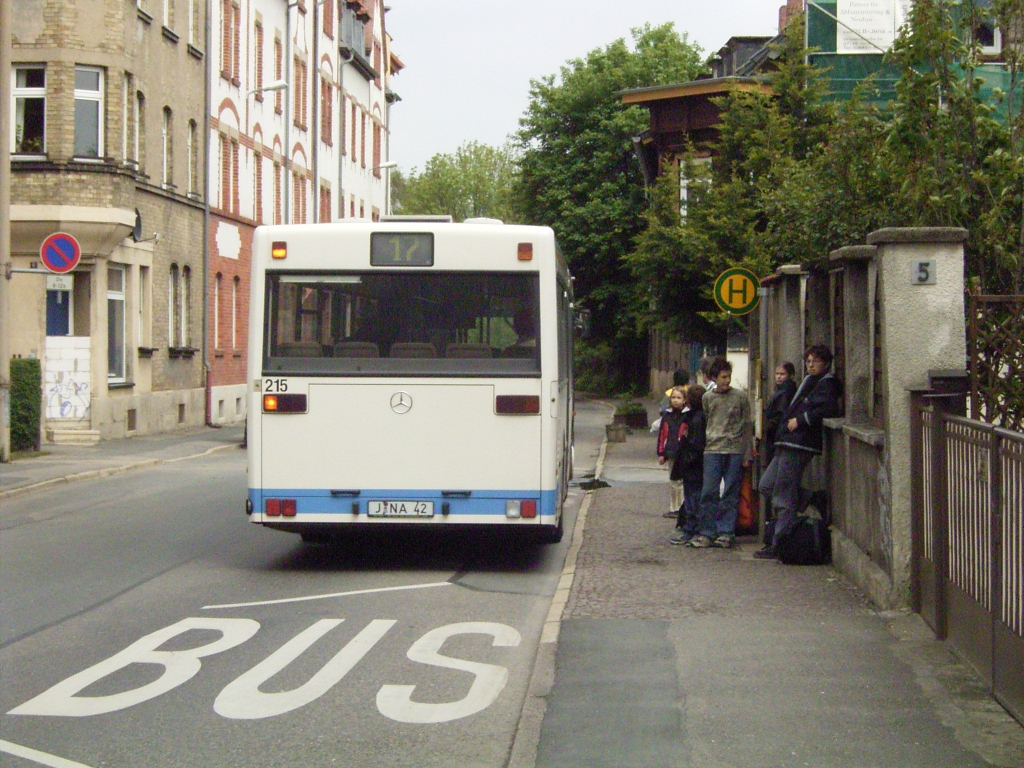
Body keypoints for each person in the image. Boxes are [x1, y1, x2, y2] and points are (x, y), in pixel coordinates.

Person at [754, 346, 842, 560]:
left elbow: (827, 408)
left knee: (783, 495)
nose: (810, 365)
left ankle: (780, 543)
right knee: (767, 485)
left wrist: (801, 420)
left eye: (815, 361)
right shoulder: (810, 381)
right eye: (808, 361)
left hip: (800, 443)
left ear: (826, 363)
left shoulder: (828, 383)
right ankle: (812, 497)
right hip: (786, 441)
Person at [687, 357, 753, 549]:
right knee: (709, 492)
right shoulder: (708, 398)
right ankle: (707, 531)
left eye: (729, 376)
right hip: (713, 450)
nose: (727, 380)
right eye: (723, 377)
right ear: (714, 378)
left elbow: (747, 424)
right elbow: (707, 419)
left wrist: (747, 453)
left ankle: (726, 532)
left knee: (731, 492)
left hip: (734, 449)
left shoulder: (740, 397)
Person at [760, 362, 797, 547]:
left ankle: (779, 540)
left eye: (782, 374)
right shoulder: (780, 390)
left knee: (776, 490)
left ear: (790, 375)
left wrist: (772, 426)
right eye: (776, 373)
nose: (778, 377)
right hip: (777, 441)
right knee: (769, 486)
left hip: (780, 441)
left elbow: (780, 416)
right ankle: (808, 498)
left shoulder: (785, 392)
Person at [670, 384, 706, 545]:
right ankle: (692, 528)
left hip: (693, 465)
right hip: (695, 464)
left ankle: (691, 529)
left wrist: (685, 461)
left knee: (693, 498)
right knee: (693, 497)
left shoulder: (696, 419)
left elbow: (694, 444)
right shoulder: (697, 416)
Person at [657, 386, 687, 516]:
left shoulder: (687, 415)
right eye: (673, 397)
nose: (676, 400)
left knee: (681, 482)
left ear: (684, 400)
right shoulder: (666, 415)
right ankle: (674, 507)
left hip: (684, 453)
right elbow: (662, 435)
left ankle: (681, 508)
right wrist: (661, 453)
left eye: (679, 398)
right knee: (673, 481)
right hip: (671, 452)